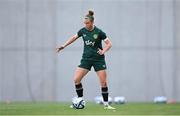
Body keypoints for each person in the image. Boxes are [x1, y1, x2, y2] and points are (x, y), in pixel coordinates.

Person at [56, 10, 115, 110]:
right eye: (85, 23)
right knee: (76, 80)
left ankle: (106, 105)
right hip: (86, 59)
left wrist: (103, 51)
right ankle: (80, 100)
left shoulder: (99, 32)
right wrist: (64, 46)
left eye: (87, 23)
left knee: (103, 82)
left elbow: (109, 44)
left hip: (98, 60)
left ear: (92, 22)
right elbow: (73, 38)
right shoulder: (82, 31)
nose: (86, 25)